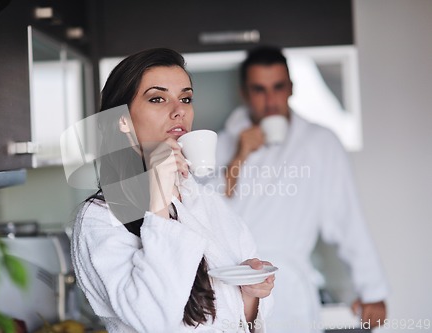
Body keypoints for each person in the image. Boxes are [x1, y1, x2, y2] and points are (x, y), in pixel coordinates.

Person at [70, 48, 275, 333]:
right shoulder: (100, 217)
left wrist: (252, 294)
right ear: (122, 121)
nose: (179, 110)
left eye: (186, 98)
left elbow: (236, 318)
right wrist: (158, 204)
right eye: (157, 98)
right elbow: (152, 319)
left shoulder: (202, 199)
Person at [213, 46, 389, 332]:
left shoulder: (321, 143)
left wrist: (373, 291)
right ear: (244, 93)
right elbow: (208, 215)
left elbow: (347, 218)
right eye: (259, 90)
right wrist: (239, 156)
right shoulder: (222, 145)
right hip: (231, 290)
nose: (270, 101)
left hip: (289, 288)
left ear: (291, 88)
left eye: (278, 87)